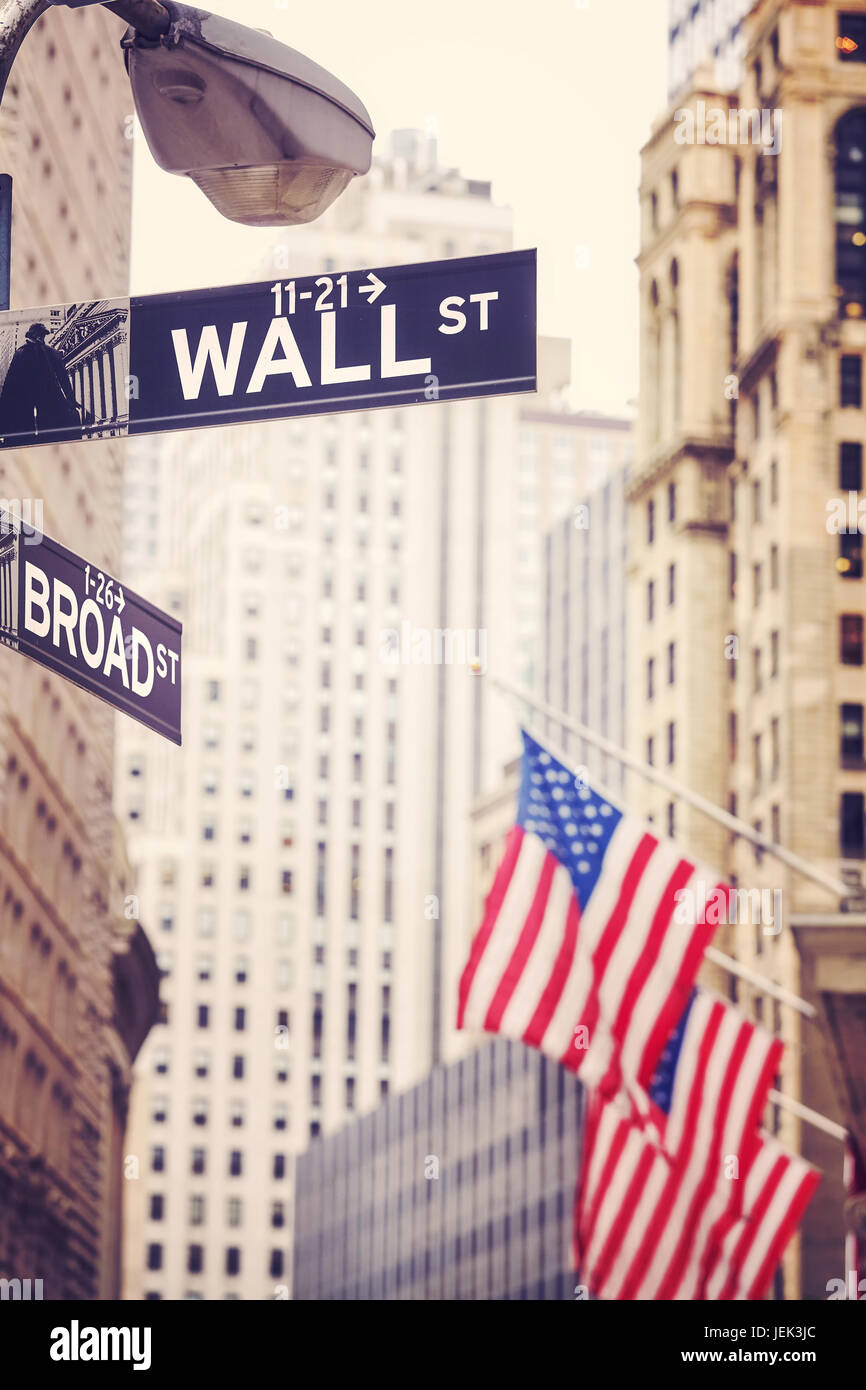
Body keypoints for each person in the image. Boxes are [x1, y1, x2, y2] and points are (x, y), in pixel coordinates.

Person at [0, 322, 81, 445]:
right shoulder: (52, 352)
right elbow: (64, 381)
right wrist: (71, 400)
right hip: (49, 405)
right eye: (42, 336)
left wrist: (5, 410)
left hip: (27, 407)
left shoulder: (21, 353)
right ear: (39, 336)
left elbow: (9, 386)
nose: (42, 338)